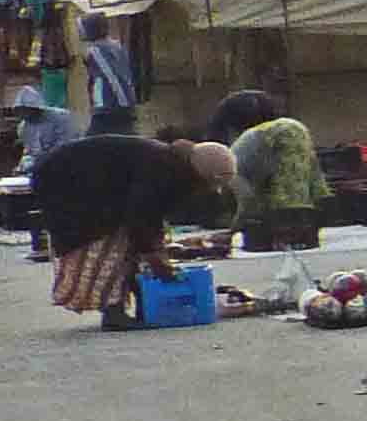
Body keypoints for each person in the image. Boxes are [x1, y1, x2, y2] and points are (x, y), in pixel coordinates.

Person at [32, 130, 233, 324]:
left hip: (78, 180)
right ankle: (113, 312)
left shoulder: (171, 164)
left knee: (132, 243)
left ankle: (136, 306)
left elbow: (149, 216)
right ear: (200, 175)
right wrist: (154, 255)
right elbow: (140, 216)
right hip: (66, 183)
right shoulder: (163, 169)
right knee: (112, 244)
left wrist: (154, 251)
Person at [225, 100, 331, 251]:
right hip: (293, 130)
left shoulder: (228, 173)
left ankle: (291, 236)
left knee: (287, 198)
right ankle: (303, 235)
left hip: (280, 134)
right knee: (300, 189)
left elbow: (247, 201)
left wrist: (232, 230)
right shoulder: (235, 153)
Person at [77, 10, 137, 135]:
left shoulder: (95, 51)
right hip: (122, 104)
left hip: (108, 105)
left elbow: (110, 75)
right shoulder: (116, 46)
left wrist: (120, 101)